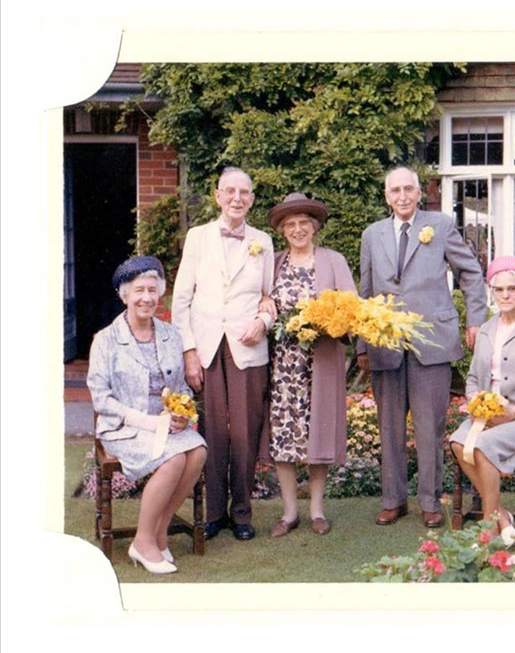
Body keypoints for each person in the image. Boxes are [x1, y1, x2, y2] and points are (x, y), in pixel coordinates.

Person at [358, 166, 487, 528]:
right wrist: (362, 346)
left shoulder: (441, 225)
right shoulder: (372, 235)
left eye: (408, 189)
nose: (402, 196)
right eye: (395, 190)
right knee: (389, 428)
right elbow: (365, 293)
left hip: (433, 342)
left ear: (419, 194)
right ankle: (393, 500)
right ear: (387, 196)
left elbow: (471, 274)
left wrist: (474, 319)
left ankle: (430, 501)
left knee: (430, 428)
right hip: (386, 344)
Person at [172, 167, 275, 541]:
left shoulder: (263, 241)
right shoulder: (198, 238)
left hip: (248, 348)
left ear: (251, 198)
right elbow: (181, 300)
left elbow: (270, 297)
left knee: (246, 431)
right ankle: (214, 512)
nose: (237, 198)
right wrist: (189, 351)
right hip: (208, 347)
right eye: (230, 191)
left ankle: (242, 514)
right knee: (212, 430)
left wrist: (262, 321)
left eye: (244, 193)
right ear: (217, 196)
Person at [87, 256, 208, 575]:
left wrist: (183, 411)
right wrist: (149, 423)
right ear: (124, 295)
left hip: (166, 425)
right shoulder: (106, 340)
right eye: (139, 290)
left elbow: (182, 386)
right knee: (174, 459)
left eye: (153, 290)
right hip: (125, 428)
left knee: (196, 451)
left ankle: (158, 532)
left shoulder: (170, 334)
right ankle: (142, 542)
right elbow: (101, 398)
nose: (147, 298)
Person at [261, 193, 355, 537]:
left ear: (314, 227)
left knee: (318, 431)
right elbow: (258, 298)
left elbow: (350, 307)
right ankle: (288, 513)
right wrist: (263, 300)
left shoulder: (333, 260)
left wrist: (327, 321)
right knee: (284, 434)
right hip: (283, 364)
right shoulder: (272, 262)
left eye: (304, 223)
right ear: (283, 231)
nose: (298, 230)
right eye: (291, 225)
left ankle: (316, 510)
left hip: (322, 359)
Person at [449, 256, 515, 546]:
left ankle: (487, 528)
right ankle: (501, 515)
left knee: (482, 445)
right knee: (458, 443)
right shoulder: (486, 330)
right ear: (492, 293)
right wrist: (476, 404)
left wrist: (514, 413)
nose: (506, 295)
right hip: (488, 416)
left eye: (512, 289)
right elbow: (473, 379)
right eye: (499, 290)